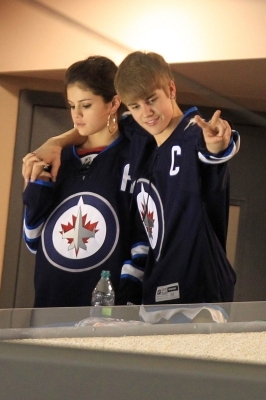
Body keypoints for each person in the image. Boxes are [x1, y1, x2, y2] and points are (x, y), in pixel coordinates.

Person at [23, 51, 240, 305]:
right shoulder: (141, 147)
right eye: (136, 105)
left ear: (171, 88)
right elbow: (34, 241)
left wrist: (218, 143)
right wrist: (54, 144)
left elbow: (211, 145)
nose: (145, 112)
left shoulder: (177, 137)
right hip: (150, 295)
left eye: (86, 104)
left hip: (188, 295)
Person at [22, 55, 149, 308]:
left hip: (106, 316)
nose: (76, 115)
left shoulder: (137, 156)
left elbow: (144, 243)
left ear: (114, 103)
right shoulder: (57, 158)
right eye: (71, 105)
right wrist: (37, 187)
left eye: (86, 105)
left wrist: (125, 300)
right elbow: (33, 241)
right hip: (49, 308)